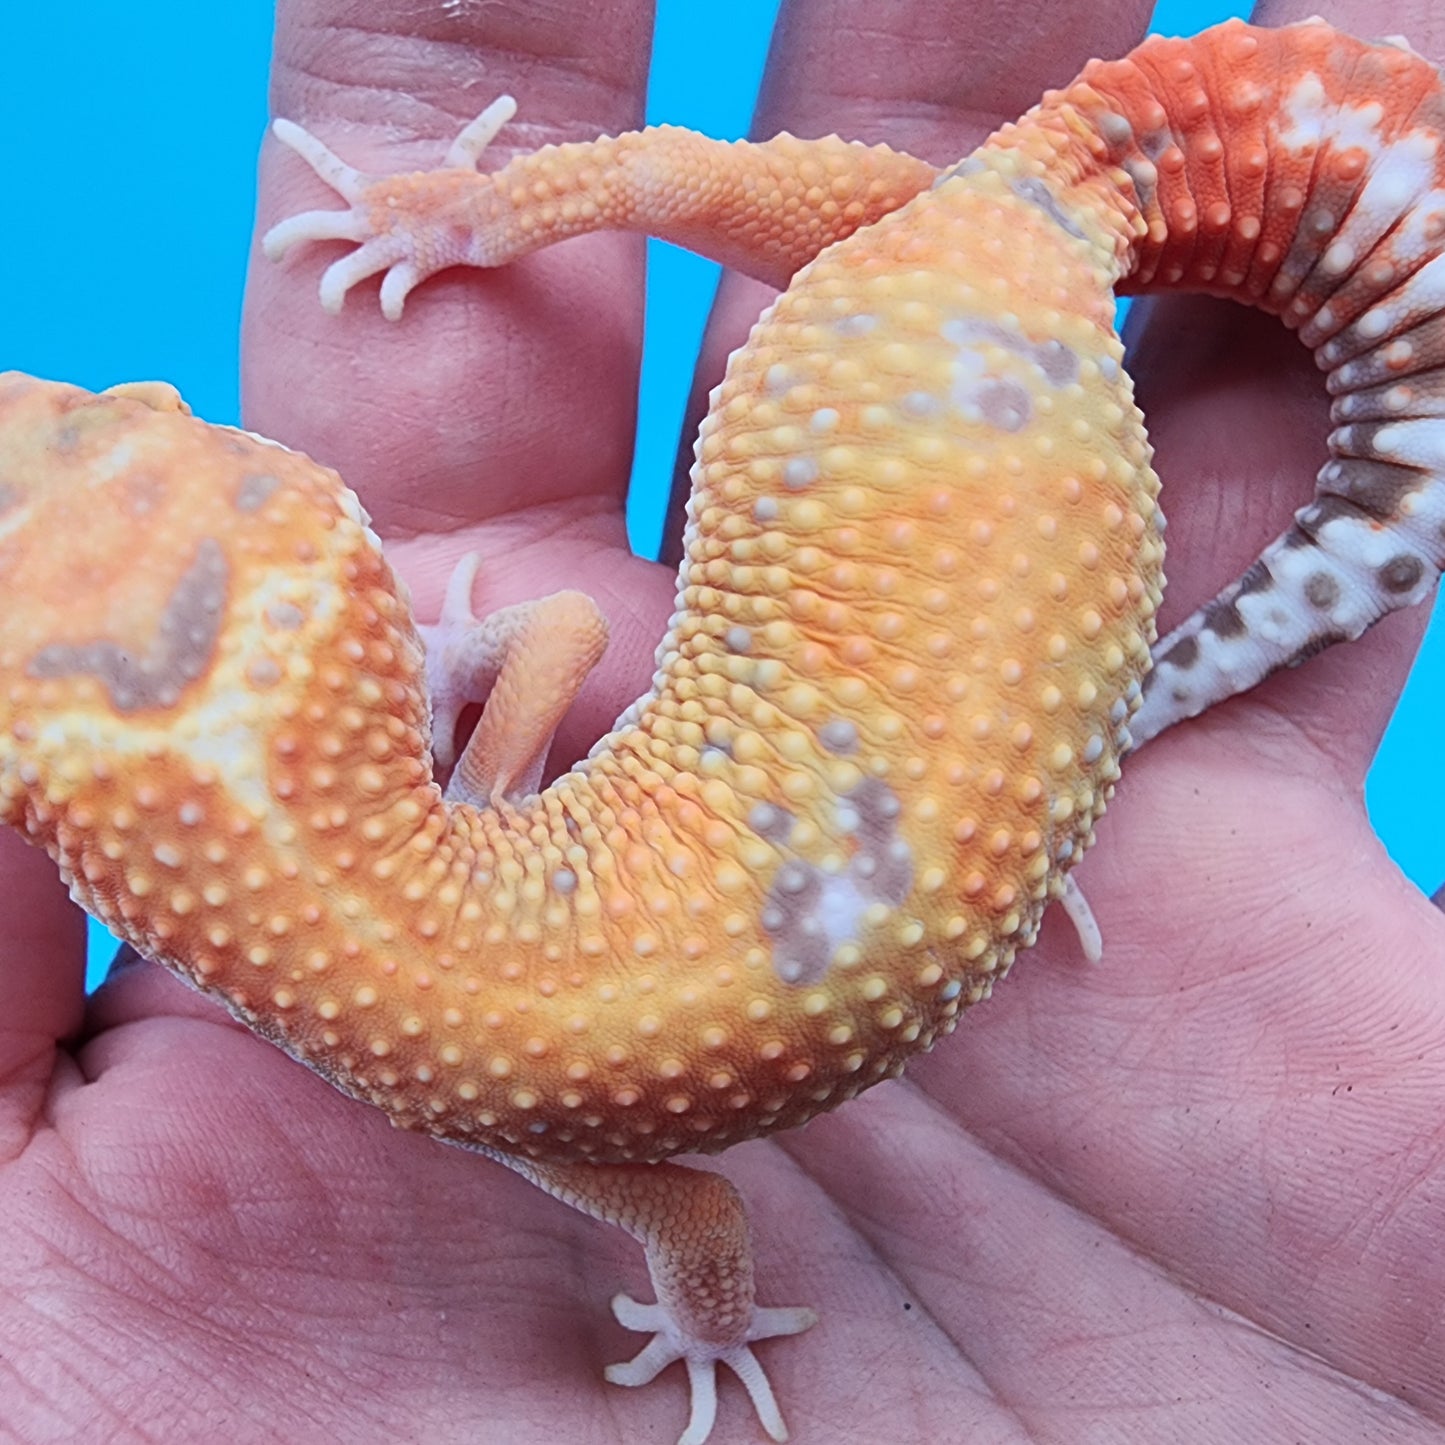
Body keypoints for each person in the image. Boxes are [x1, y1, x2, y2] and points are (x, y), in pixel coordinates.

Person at [3, 0, 1442, 1438]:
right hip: (939, 390)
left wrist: (714, 1335)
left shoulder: (500, 1094)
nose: (123, 392)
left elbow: (698, 1219)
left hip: (966, 458)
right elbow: (544, 637)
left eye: (112, 408)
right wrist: (482, 226)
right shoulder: (488, 1002)